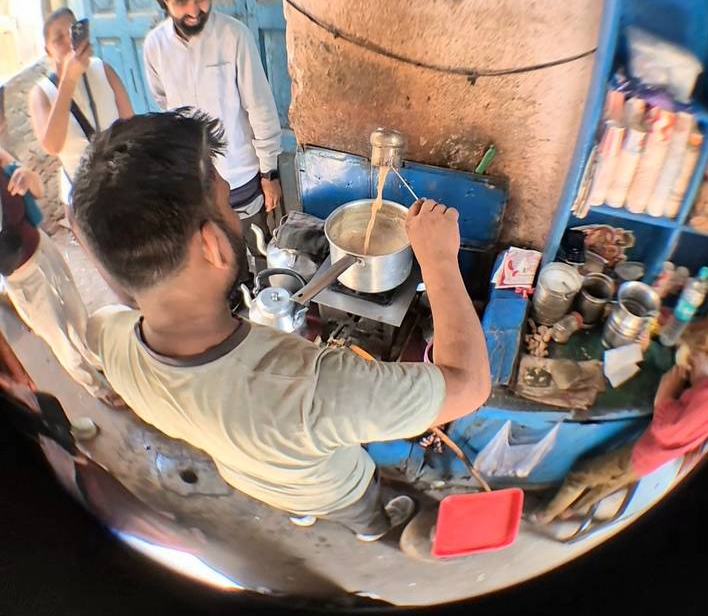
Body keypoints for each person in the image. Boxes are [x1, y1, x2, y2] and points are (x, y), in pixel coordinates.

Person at [70, 109, 492, 541]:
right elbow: (469, 385)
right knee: (363, 509)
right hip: (333, 488)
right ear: (213, 246)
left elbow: (120, 296)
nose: (235, 214)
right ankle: (371, 531)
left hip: (248, 477)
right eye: (226, 201)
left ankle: (301, 514)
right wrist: (439, 258)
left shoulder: (108, 336)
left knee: (289, 494)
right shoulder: (312, 388)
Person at [143, 0, 283, 276]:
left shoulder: (234, 36)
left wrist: (269, 173)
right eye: (182, 2)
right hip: (193, 179)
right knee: (215, 255)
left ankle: (266, 304)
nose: (194, 10)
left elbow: (259, 106)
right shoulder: (154, 46)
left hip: (241, 173)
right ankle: (233, 307)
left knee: (260, 248)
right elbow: (163, 104)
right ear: (164, 2)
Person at [531, 348, 708, 524]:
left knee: (580, 475)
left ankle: (545, 515)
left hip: (643, 454)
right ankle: (571, 510)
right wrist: (701, 379)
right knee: (608, 484)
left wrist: (666, 392)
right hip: (653, 462)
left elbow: (670, 428)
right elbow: (704, 412)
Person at [0, 146, 118, 405]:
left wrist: (27, 175)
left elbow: (38, 191)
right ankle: (97, 388)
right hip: (21, 276)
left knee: (76, 312)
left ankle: (98, 363)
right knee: (59, 337)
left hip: (42, 247)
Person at [29, 7, 134, 210]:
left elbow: (130, 122)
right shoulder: (41, 93)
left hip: (124, 182)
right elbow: (52, 145)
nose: (68, 42)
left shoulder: (102, 68)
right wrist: (68, 80)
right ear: (48, 50)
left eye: (72, 32)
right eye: (59, 39)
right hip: (85, 201)